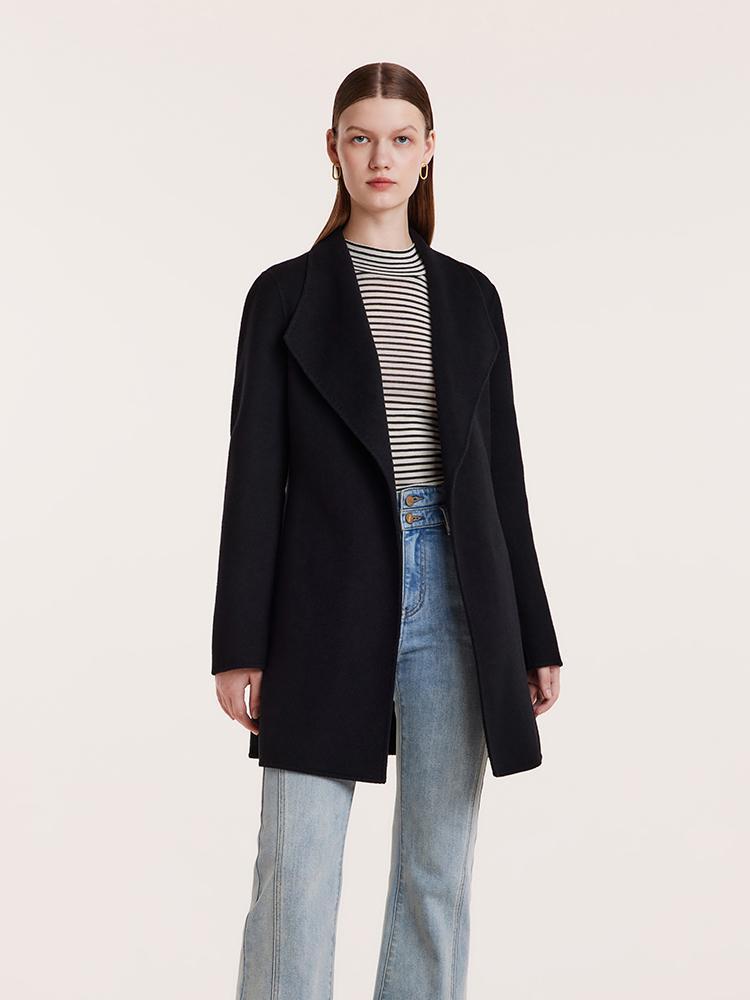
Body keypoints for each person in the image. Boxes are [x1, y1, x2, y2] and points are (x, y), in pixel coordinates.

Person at [211, 61, 562, 1000]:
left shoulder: (472, 298)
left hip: (459, 594)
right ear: (332, 150)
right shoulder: (284, 295)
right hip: (324, 589)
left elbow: (503, 478)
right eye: (361, 137)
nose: (381, 156)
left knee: (437, 874)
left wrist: (533, 633)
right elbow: (254, 476)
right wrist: (240, 643)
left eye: (401, 138)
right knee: (296, 875)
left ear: (429, 151)